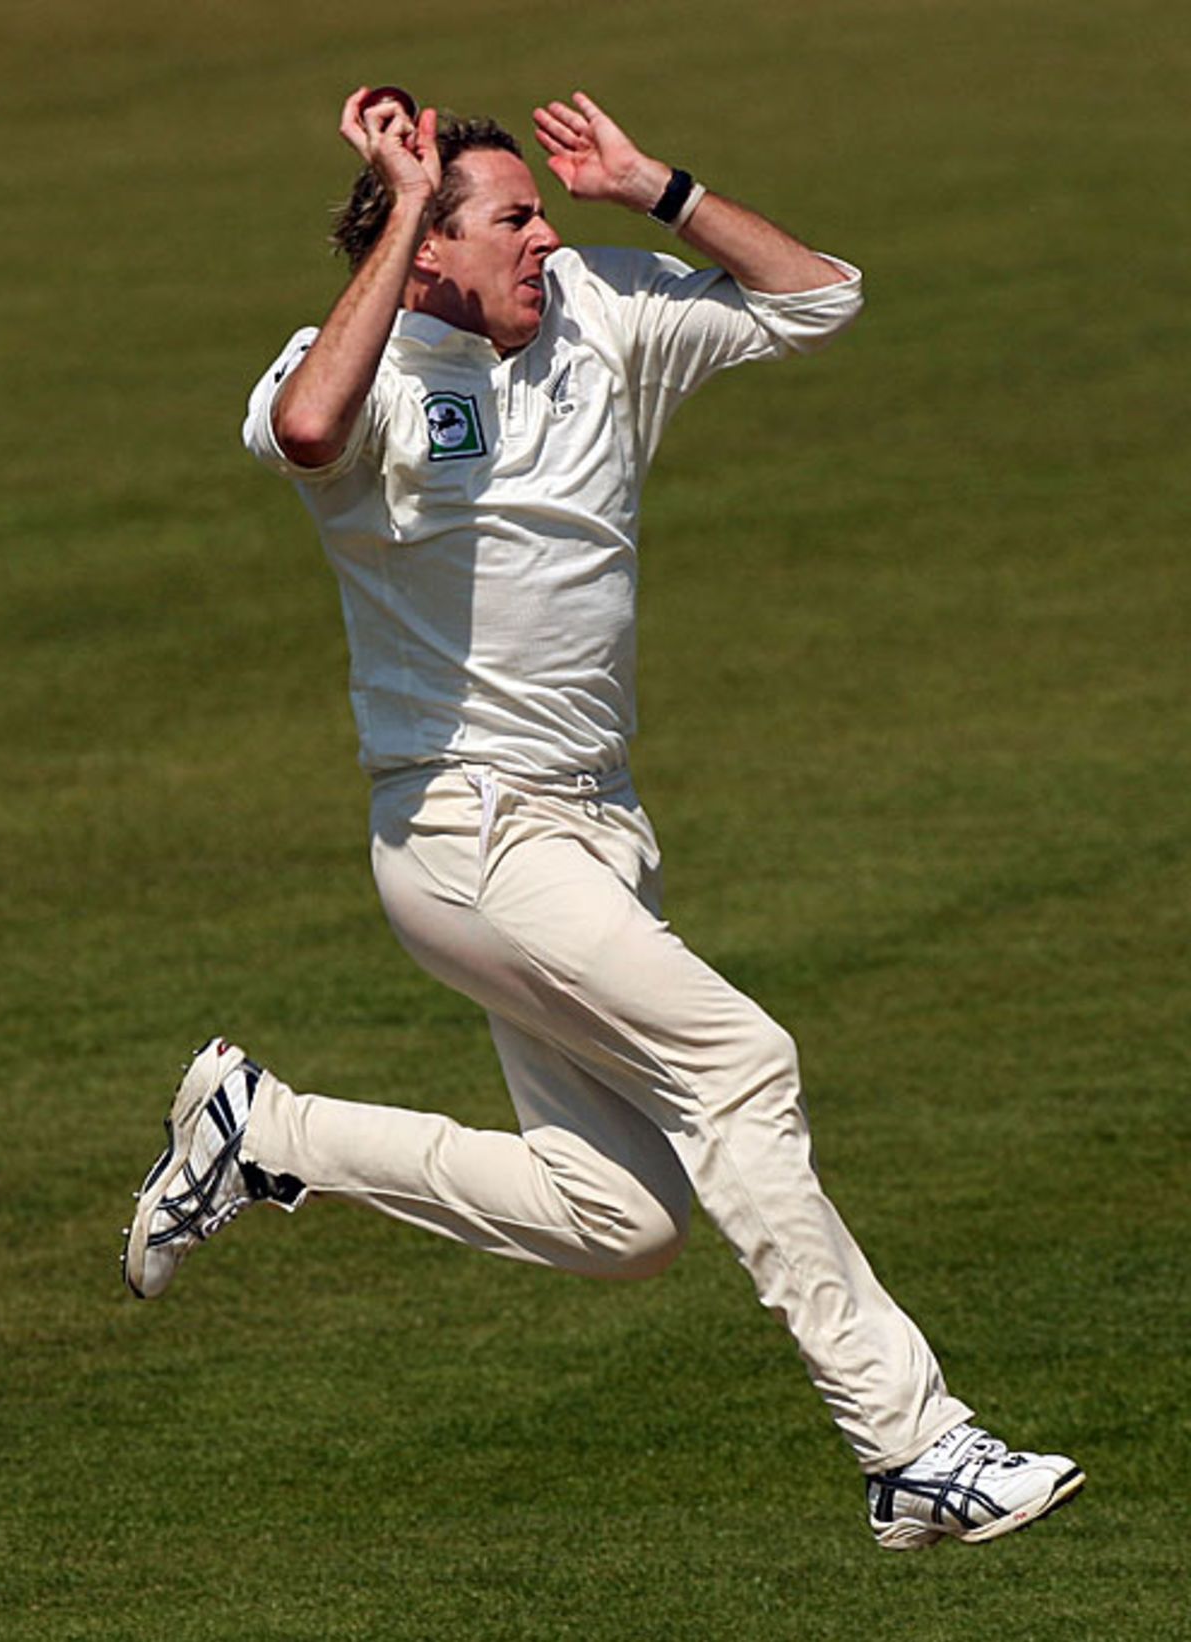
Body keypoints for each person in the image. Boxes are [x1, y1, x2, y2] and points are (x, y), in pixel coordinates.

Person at [123, 85, 1084, 1550]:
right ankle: (914, 1446)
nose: (545, 235)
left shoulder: (599, 307)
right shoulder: (361, 375)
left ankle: (272, 1132)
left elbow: (822, 301)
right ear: (426, 252)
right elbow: (310, 431)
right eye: (512, 217)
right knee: (739, 1059)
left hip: (596, 832)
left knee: (618, 1221)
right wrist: (397, 214)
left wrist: (661, 189)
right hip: (466, 832)